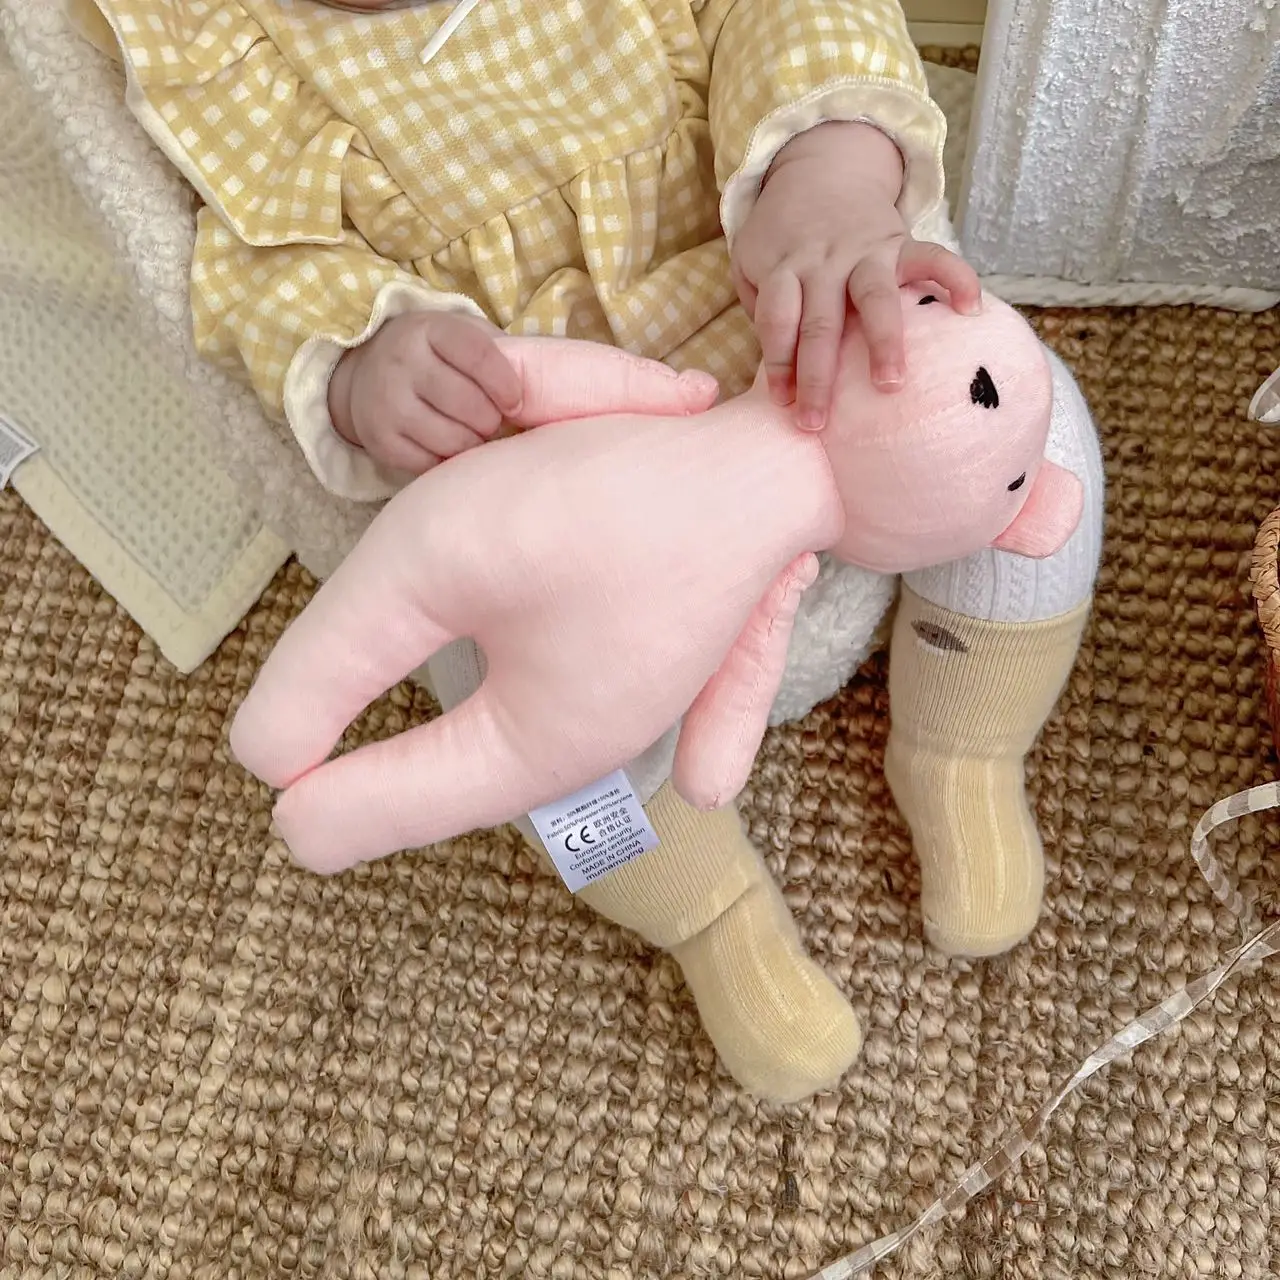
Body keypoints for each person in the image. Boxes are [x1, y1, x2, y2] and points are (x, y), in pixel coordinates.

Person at [77, 0, 1103, 1102]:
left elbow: (789, 13)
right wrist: (365, 363)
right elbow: (261, 261)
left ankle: (963, 743)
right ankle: (705, 910)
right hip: (558, 486)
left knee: (1029, 432)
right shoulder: (230, 47)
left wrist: (825, 171)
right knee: (495, 697)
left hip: (794, 348)